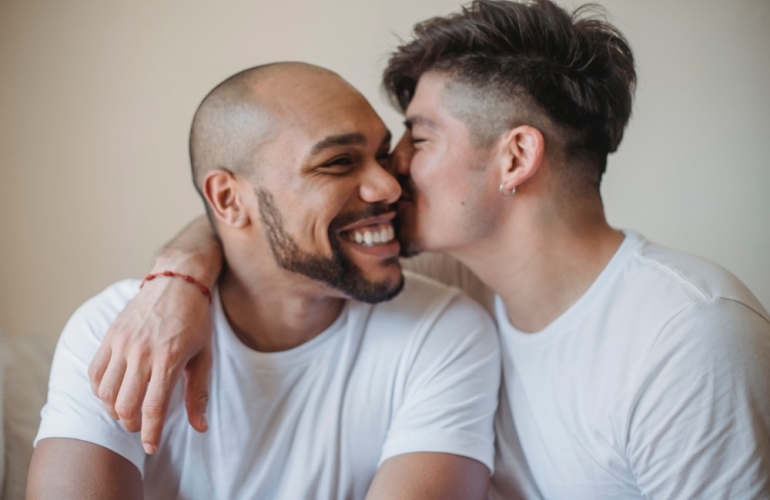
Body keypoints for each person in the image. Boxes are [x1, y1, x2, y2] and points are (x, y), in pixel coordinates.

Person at [86, 0, 770, 498]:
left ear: (516, 157)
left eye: (417, 138)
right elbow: (275, 226)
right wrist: (181, 278)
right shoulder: (456, 277)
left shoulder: (686, 335)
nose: (389, 176)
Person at [27, 62, 501, 499]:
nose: (389, 187)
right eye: (337, 162)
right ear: (229, 199)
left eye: (381, 154)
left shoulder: (443, 331)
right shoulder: (120, 329)